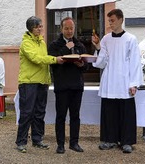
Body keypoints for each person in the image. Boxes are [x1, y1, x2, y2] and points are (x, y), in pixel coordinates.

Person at [92, 9, 142, 153]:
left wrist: (134, 84)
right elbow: (101, 62)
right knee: (109, 111)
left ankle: (126, 141)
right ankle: (109, 139)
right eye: (109, 21)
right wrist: (97, 46)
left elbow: (135, 62)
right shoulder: (106, 39)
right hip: (110, 79)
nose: (110, 23)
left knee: (126, 112)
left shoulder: (131, 39)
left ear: (121, 20)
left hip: (124, 80)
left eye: (112, 20)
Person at [15, 16, 65, 153]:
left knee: (39, 112)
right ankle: (21, 141)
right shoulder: (26, 43)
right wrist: (54, 59)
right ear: (31, 28)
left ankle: (37, 139)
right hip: (29, 82)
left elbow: (43, 60)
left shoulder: (41, 42)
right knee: (27, 112)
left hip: (42, 81)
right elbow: (36, 59)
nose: (40, 28)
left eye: (41, 26)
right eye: (38, 26)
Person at [47, 17, 88, 154]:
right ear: (61, 29)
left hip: (76, 86)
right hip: (62, 85)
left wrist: (82, 64)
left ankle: (74, 143)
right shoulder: (54, 45)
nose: (69, 31)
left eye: (71, 28)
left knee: (75, 116)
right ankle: (60, 144)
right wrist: (66, 48)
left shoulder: (80, 45)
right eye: (67, 28)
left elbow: (86, 67)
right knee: (61, 116)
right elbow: (52, 62)